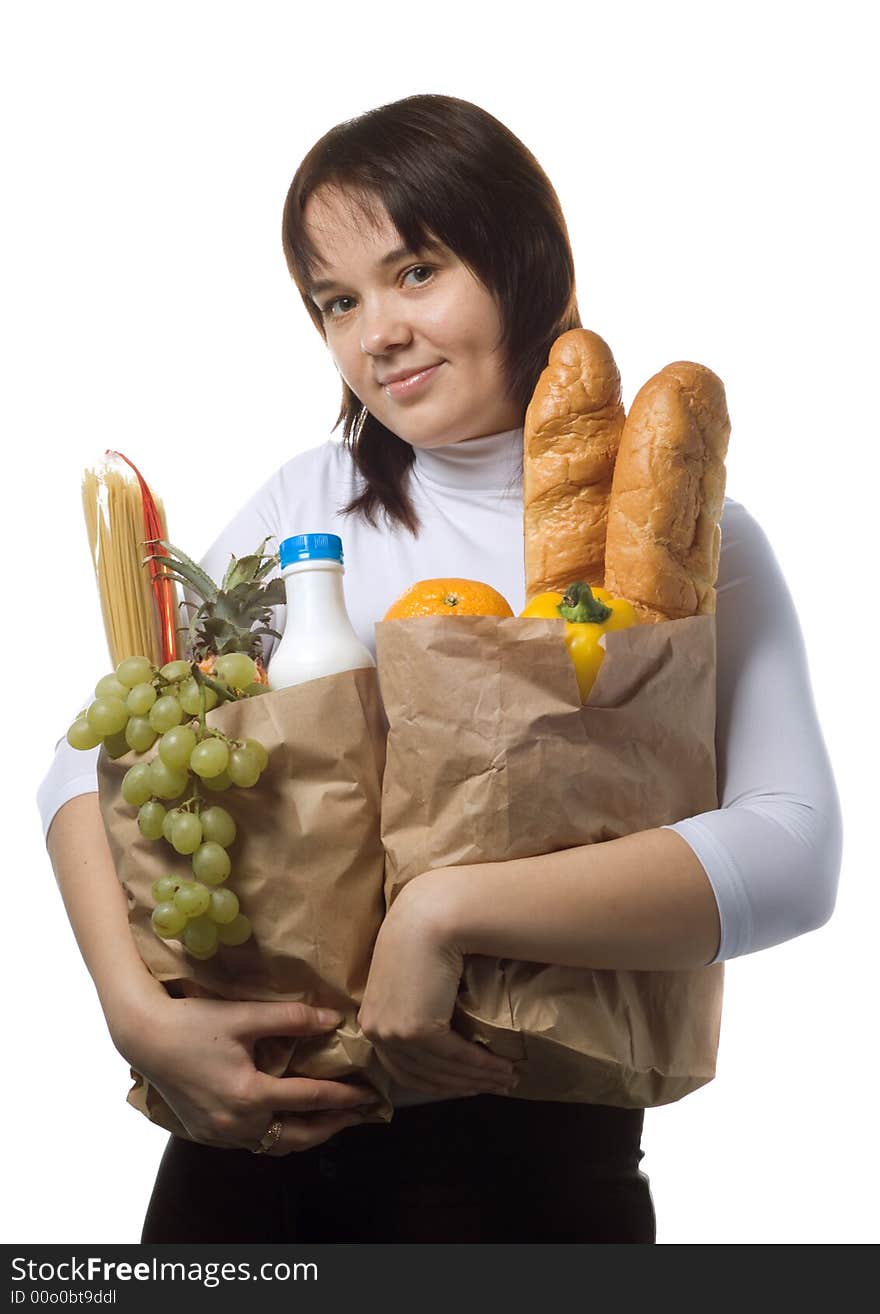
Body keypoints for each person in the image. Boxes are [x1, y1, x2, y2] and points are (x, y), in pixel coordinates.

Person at [37, 93, 843, 1244]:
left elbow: (792, 847)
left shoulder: (683, 539)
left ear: (524, 261)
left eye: (416, 271)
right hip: (254, 1145)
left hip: (538, 1164)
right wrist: (133, 1014)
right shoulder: (306, 509)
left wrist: (441, 916)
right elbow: (87, 766)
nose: (377, 333)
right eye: (337, 301)